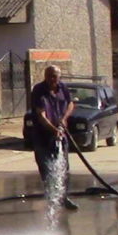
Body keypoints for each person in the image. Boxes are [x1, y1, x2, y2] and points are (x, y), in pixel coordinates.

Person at [30, 65, 78, 210]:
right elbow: (41, 115)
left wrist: (64, 120)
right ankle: (52, 199)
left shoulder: (62, 88)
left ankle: (63, 197)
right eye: (48, 76)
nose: (51, 79)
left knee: (64, 168)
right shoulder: (39, 90)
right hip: (42, 137)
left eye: (54, 77)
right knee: (47, 169)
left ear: (59, 77)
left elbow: (70, 104)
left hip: (61, 136)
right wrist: (53, 129)